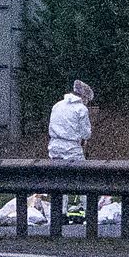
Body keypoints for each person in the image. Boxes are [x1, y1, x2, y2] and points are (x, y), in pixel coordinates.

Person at [48, 80, 94, 213]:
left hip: (54, 146)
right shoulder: (81, 109)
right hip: (72, 148)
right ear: (84, 97)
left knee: (59, 180)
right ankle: (87, 210)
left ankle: (59, 211)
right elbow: (86, 133)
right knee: (83, 178)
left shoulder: (57, 105)